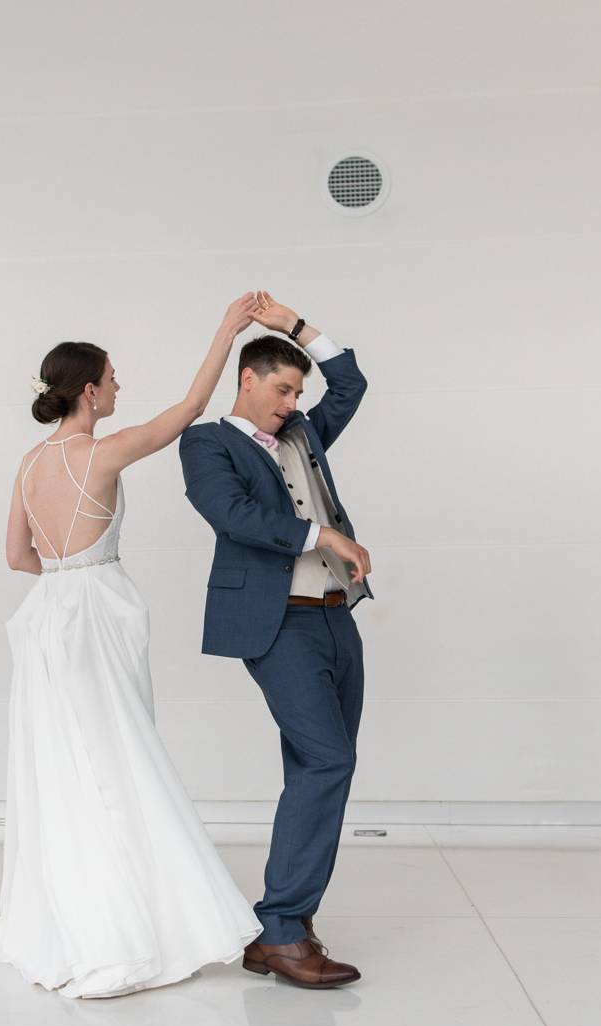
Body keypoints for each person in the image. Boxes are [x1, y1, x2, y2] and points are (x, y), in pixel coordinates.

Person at [0, 292, 266, 999]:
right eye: (111, 378)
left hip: (49, 611)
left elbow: (17, 555)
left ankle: (71, 913)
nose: (119, 386)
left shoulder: (27, 463)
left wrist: (63, 572)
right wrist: (226, 332)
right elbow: (190, 409)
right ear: (88, 390)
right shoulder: (103, 452)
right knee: (118, 754)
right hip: (98, 609)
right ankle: (127, 925)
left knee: (66, 761)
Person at [177, 292, 373, 989]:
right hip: (276, 623)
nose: (291, 402)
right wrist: (324, 534)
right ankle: (283, 928)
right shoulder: (208, 442)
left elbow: (350, 381)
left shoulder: (303, 434)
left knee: (319, 766)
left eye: (297, 391)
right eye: (282, 388)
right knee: (329, 763)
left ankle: (285, 930)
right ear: (248, 380)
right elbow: (231, 514)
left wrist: (292, 324)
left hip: (334, 617)